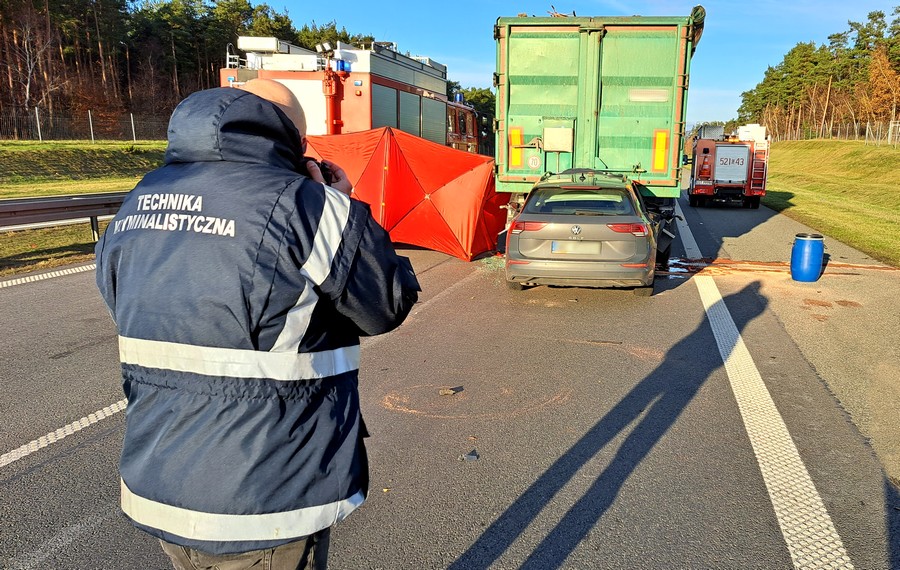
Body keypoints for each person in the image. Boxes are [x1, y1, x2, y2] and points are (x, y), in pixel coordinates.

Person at [95, 79, 420, 569]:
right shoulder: (309, 206)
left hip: (160, 482)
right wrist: (341, 205)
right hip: (266, 498)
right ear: (293, 142)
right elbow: (386, 303)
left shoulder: (138, 201)